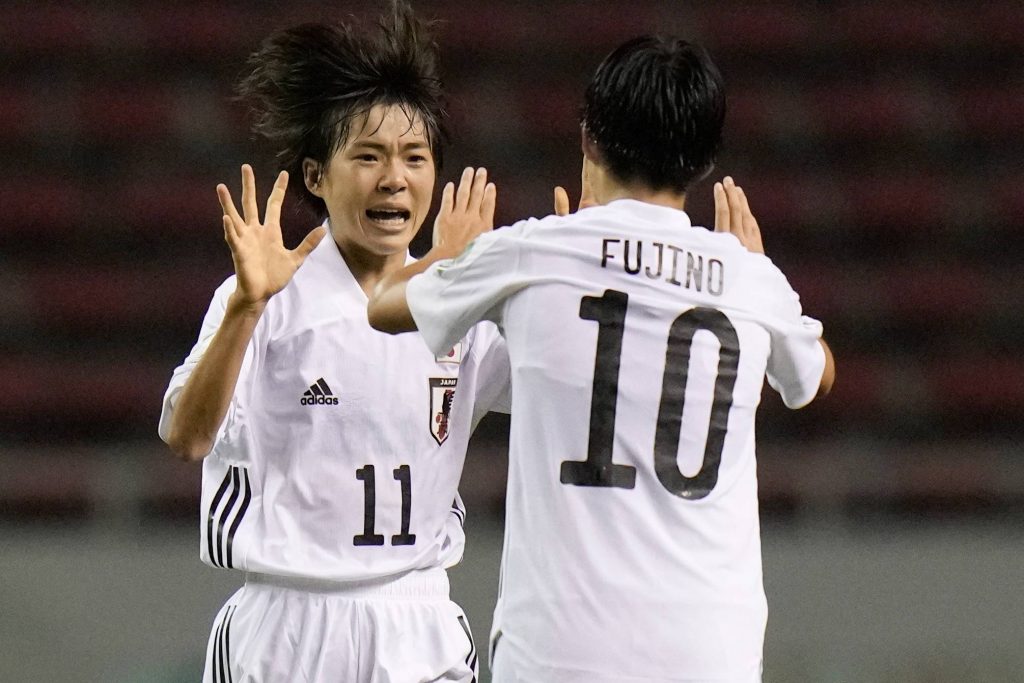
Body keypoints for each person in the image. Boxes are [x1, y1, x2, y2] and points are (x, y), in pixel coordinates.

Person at [367, 34, 835, 682]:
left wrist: (451, 253)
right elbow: (813, 375)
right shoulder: (749, 280)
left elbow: (386, 308)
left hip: (561, 644)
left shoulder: (533, 252)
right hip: (709, 647)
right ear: (702, 161)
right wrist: (757, 272)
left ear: (589, 137)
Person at [157, 2, 508, 681]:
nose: (394, 178)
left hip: (418, 621)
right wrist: (245, 308)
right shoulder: (269, 298)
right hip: (289, 621)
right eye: (368, 156)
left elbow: (577, 384)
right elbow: (187, 437)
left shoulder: (464, 305)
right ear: (317, 177)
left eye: (414, 157)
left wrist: (582, 283)